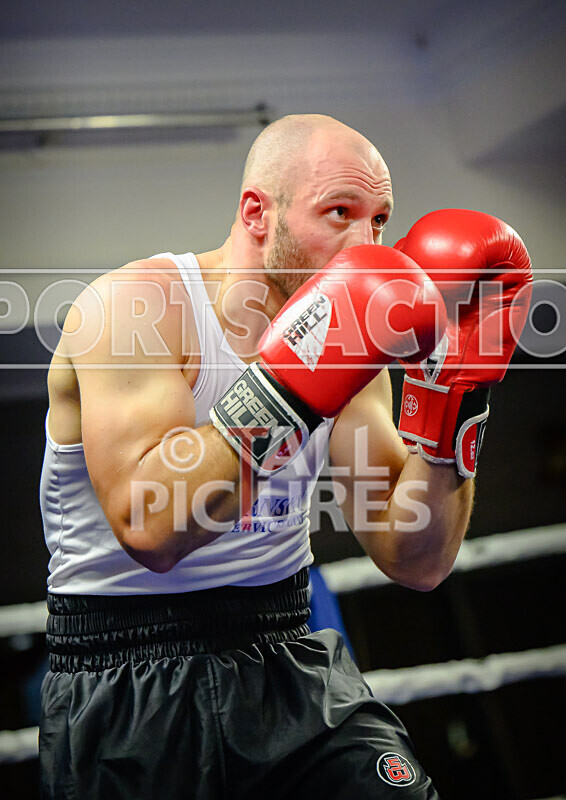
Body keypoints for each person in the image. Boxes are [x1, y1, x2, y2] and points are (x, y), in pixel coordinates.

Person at [39, 114, 531, 799]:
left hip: (286, 654)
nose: (367, 244)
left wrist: (455, 389)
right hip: (130, 676)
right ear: (257, 214)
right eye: (340, 213)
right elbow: (151, 529)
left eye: (381, 220)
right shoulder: (135, 308)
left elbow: (416, 558)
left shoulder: (364, 341)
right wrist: (297, 378)